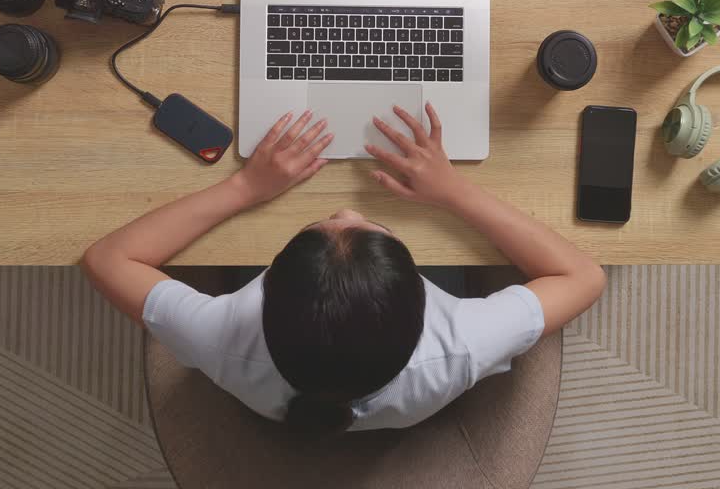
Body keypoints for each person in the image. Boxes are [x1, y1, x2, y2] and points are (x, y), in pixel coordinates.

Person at [82, 104, 606, 433]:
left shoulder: (219, 336)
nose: (347, 212)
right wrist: (455, 191)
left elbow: (108, 259)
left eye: (322, 224)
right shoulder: (459, 343)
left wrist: (244, 188)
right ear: (422, 305)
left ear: (265, 297)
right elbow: (584, 277)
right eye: (369, 227)